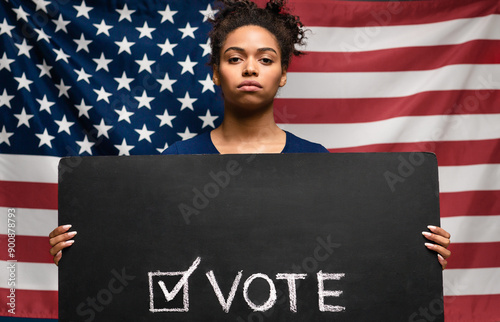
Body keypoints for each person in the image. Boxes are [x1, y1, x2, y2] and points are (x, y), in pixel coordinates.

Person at [49, 0, 451, 268]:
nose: (250, 69)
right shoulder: (174, 162)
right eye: (234, 58)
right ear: (215, 73)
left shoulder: (316, 162)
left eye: (266, 59)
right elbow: (147, 256)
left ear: (284, 75)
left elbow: (346, 256)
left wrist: (413, 251)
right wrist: (84, 254)